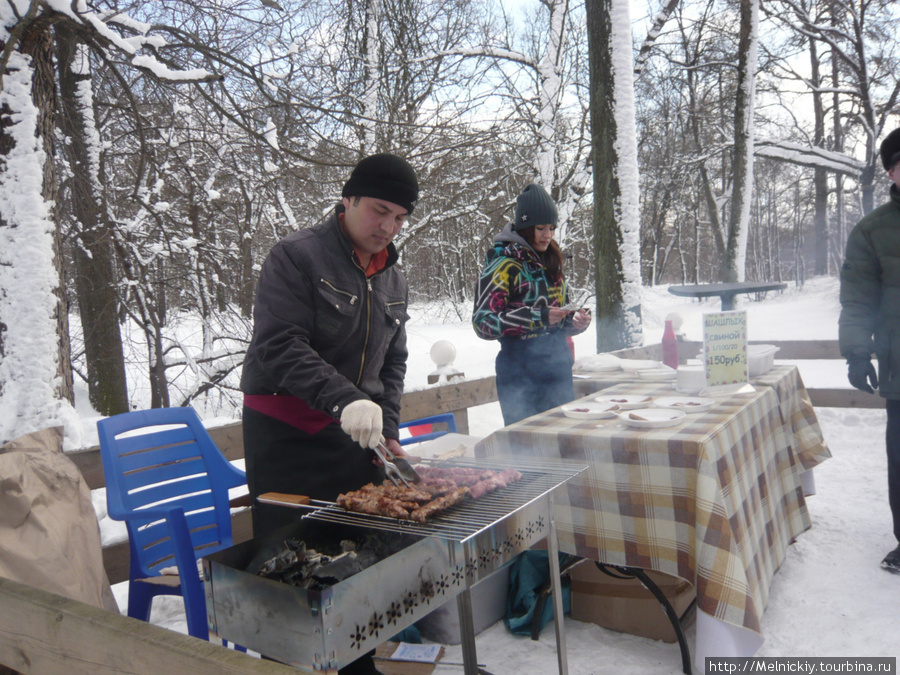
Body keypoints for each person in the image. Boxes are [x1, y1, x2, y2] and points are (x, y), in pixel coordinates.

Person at [240, 153, 417, 675]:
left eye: (400, 217)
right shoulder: (296, 257)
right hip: (287, 434)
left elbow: (393, 363)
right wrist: (345, 399)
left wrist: (388, 430)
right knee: (290, 565)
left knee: (355, 556)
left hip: (356, 435)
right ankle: (286, 664)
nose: (388, 226)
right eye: (379, 210)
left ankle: (357, 664)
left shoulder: (393, 278)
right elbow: (279, 344)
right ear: (349, 200)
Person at [472, 182, 592, 425]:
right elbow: (483, 323)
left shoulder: (552, 262)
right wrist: (538, 317)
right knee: (527, 451)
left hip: (557, 367)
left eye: (551, 228)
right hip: (520, 374)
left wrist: (576, 321)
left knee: (566, 444)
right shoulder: (503, 265)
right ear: (526, 227)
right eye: (540, 228)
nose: (547, 235)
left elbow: (559, 316)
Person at [839, 127, 900, 574]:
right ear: (891, 172)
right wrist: (858, 353)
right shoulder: (871, 230)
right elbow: (857, 299)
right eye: (899, 164)